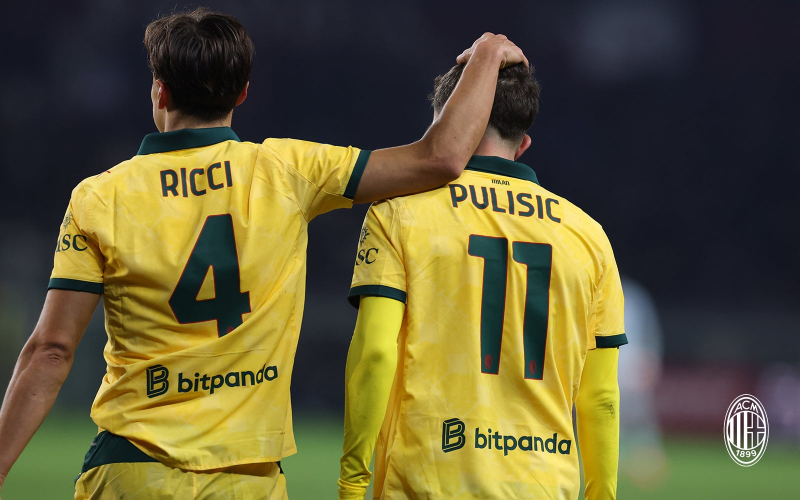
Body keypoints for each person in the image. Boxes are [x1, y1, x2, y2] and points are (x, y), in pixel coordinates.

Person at [0, 7, 528, 500]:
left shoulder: (100, 197)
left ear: (160, 91)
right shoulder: (288, 171)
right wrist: (486, 54)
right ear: (243, 93)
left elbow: (51, 351)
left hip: (132, 468)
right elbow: (440, 158)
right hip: (249, 478)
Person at [338, 63, 627, 499]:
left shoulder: (398, 214)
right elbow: (600, 396)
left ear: (445, 124)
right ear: (523, 144)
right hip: (542, 487)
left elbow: (375, 354)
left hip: (428, 482)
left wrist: (351, 485)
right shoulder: (588, 237)